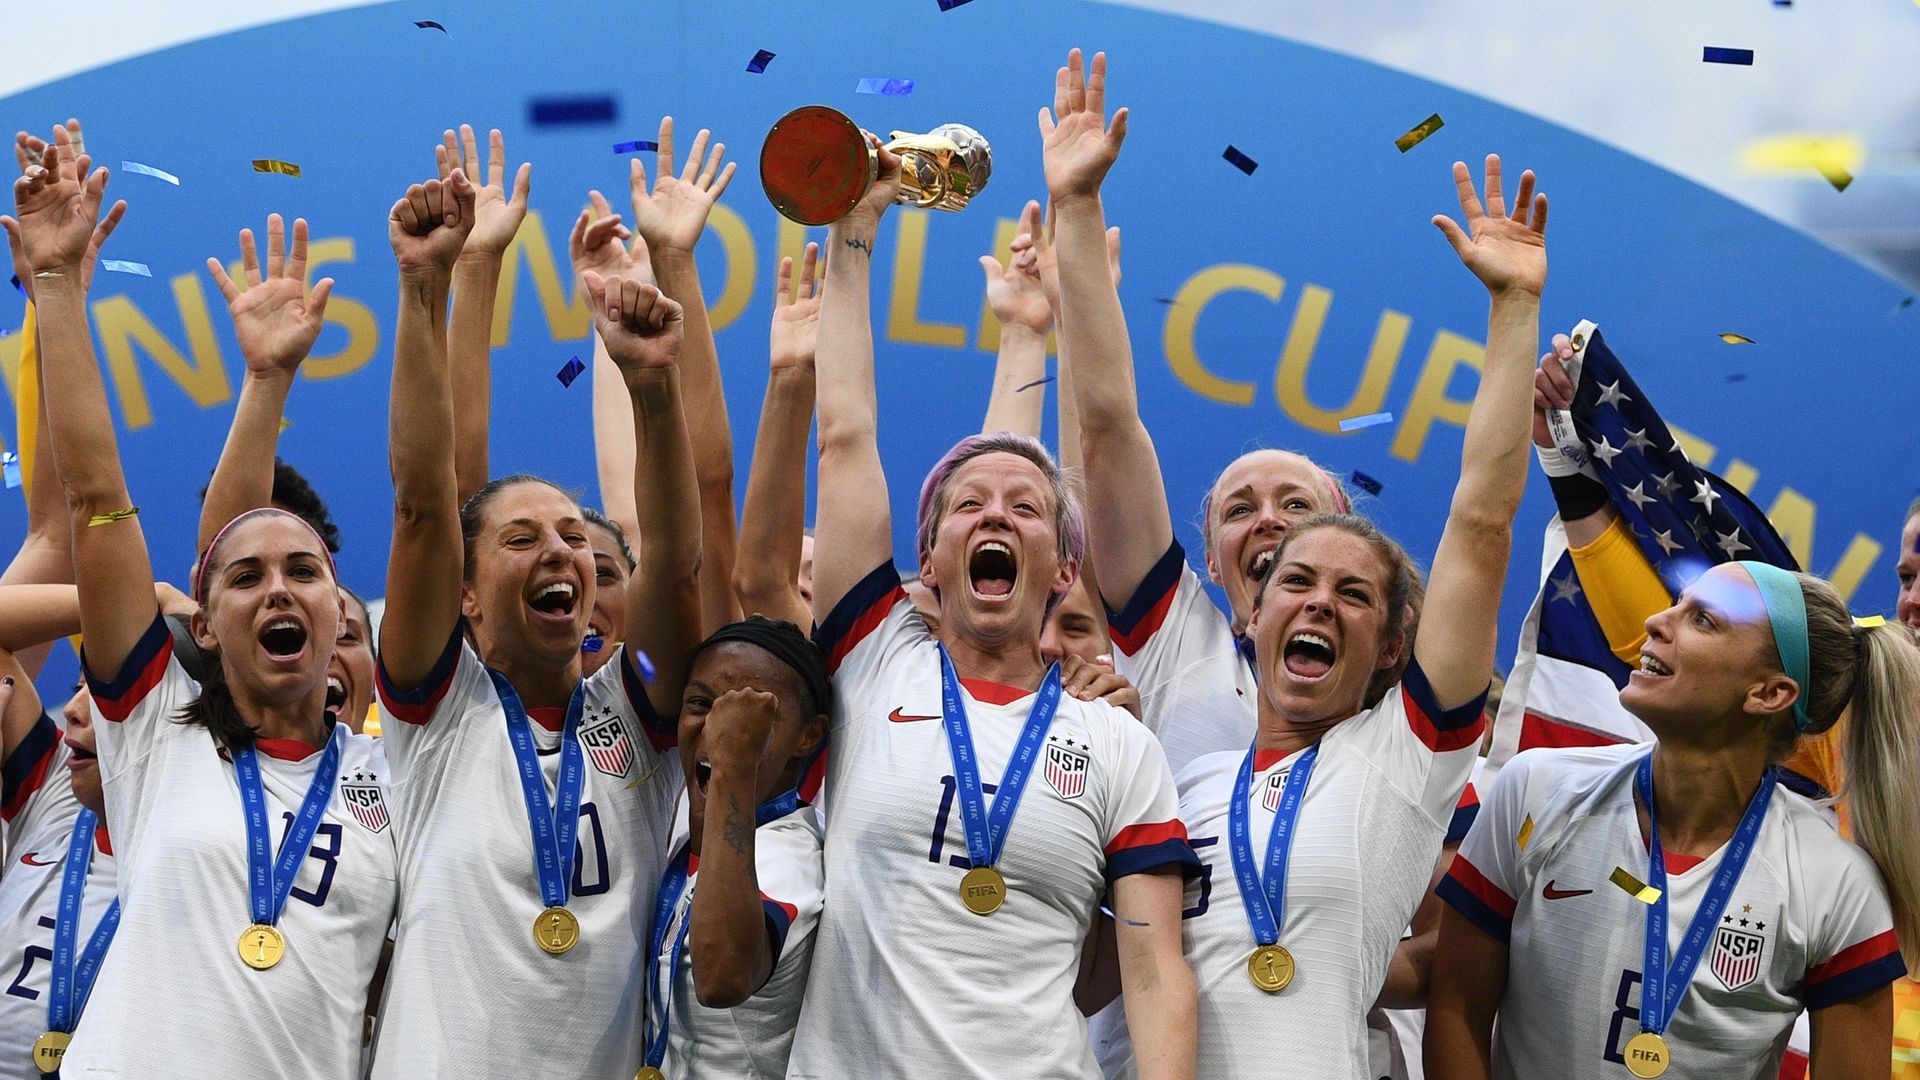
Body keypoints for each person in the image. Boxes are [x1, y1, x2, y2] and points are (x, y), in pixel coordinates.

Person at [787, 51, 1200, 1080]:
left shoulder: (1115, 740)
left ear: (1065, 568)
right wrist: (853, 236)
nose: (993, 516)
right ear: (926, 560)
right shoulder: (876, 658)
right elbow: (844, 438)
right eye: (965, 506)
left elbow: (1152, 975)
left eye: (1024, 507)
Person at [7, 124, 397, 1078]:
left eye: (304, 572)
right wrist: (56, 288)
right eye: (248, 577)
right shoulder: (153, 728)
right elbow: (96, 496)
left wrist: (271, 377)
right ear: (204, 624)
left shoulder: (401, 778)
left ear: (342, 610)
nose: (279, 589)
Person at [1154, 148, 1544, 1078]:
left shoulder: (1404, 761)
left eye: (1353, 592)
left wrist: (1514, 308)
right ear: (1249, 616)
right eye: (1294, 582)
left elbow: (1483, 521)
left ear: (1391, 648)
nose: (1319, 600)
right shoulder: (1184, 789)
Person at [369, 152, 703, 1077]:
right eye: (521, 541)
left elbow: (675, 566)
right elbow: (425, 501)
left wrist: (652, 385)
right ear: (466, 595)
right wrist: (424, 288)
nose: (561, 552)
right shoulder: (436, 708)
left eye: (573, 540)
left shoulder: (638, 721)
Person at [1427, 561, 1920, 1078]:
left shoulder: (1836, 884)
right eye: (1677, 605)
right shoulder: (1535, 790)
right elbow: (1455, 1008)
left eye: (1703, 620)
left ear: (1769, 694)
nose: (1657, 622)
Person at [639, 617, 830, 1078]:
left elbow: (723, 978)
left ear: (808, 735)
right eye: (701, 704)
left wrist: (735, 765)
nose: (719, 730)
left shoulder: (792, 854)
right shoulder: (683, 832)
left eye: (752, 720)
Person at [0, 651, 116, 1080]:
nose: (72, 710)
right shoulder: (59, 794)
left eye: (106, 695)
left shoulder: (221, 853)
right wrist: (159, 596)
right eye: (77, 688)